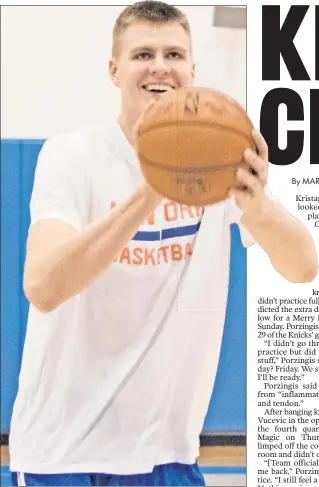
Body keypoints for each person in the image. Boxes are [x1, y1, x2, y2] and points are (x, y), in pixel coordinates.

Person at [9, 2, 318, 486]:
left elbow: (303, 266)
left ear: (192, 70)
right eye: (142, 54)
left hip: (164, 452)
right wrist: (154, 186)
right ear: (114, 70)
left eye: (174, 53)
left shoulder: (216, 162)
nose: (160, 66)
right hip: (64, 451)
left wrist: (257, 204)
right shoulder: (71, 156)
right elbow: (43, 287)